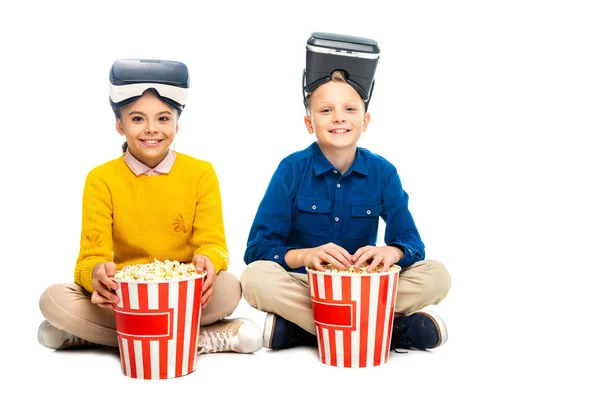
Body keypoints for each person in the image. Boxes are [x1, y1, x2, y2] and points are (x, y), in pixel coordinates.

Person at [241, 32, 451, 351]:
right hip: (308, 284)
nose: (339, 117)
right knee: (256, 278)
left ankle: (308, 329)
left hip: (365, 286)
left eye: (350, 109)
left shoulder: (383, 172)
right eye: (326, 110)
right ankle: (385, 331)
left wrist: (392, 252)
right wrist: (305, 256)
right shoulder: (291, 170)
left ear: (365, 120)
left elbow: (411, 242)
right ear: (309, 123)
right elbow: (257, 249)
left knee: (437, 275)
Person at [38, 59, 262, 355]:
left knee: (230, 287)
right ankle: (199, 338)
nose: (152, 130)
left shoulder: (201, 173)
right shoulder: (101, 179)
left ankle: (91, 334)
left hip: (181, 292)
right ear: (120, 125)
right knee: (52, 299)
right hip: (125, 296)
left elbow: (214, 244)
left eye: (163, 118)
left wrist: (210, 260)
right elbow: (90, 257)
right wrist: (95, 275)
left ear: (177, 124)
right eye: (138, 119)